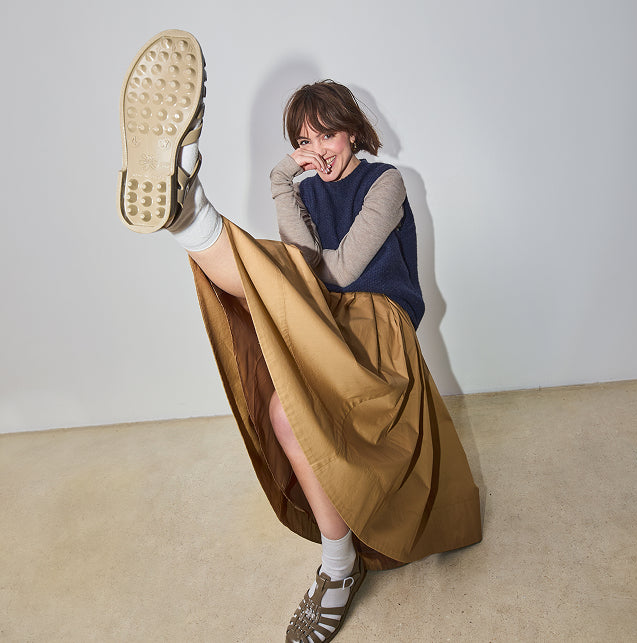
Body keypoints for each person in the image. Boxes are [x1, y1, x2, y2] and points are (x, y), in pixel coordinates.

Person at [118, 29, 482, 643]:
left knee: (274, 278)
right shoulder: (306, 188)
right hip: (325, 319)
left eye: (326, 135)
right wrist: (285, 180)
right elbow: (305, 264)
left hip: (378, 328)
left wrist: (285, 191)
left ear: (353, 131)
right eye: (302, 141)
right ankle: (338, 565)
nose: (317, 151)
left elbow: (334, 271)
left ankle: (191, 218)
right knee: (284, 413)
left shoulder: (387, 181)